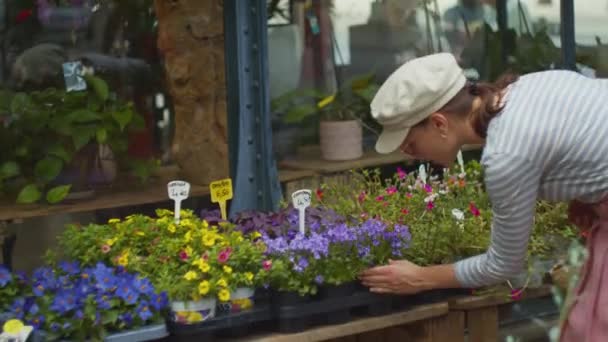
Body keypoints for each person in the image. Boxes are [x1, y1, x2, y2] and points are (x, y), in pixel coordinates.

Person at [359, 53, 608, 340]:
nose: (410, 156)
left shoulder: (505, 154)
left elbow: (504, 264)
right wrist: (589, 191)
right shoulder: (527, 87)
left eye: (410, 144)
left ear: (440, 123)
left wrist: (420, 278)